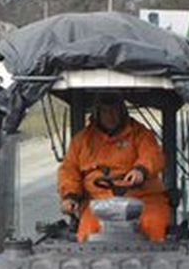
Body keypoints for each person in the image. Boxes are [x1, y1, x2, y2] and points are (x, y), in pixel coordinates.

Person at [58, 95, 170, 240]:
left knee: (152, 225)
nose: (110, 116)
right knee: (88, 231)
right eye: (105, 111)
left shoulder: (140, 133)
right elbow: (69, 171)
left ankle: (156, 261)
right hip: (98, 202)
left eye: (114, 111)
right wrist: (70, 196)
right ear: (97, 113)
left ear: (122, 111)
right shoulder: (82, 141)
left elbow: (153, 154)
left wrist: (141, 170)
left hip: (141, 199)